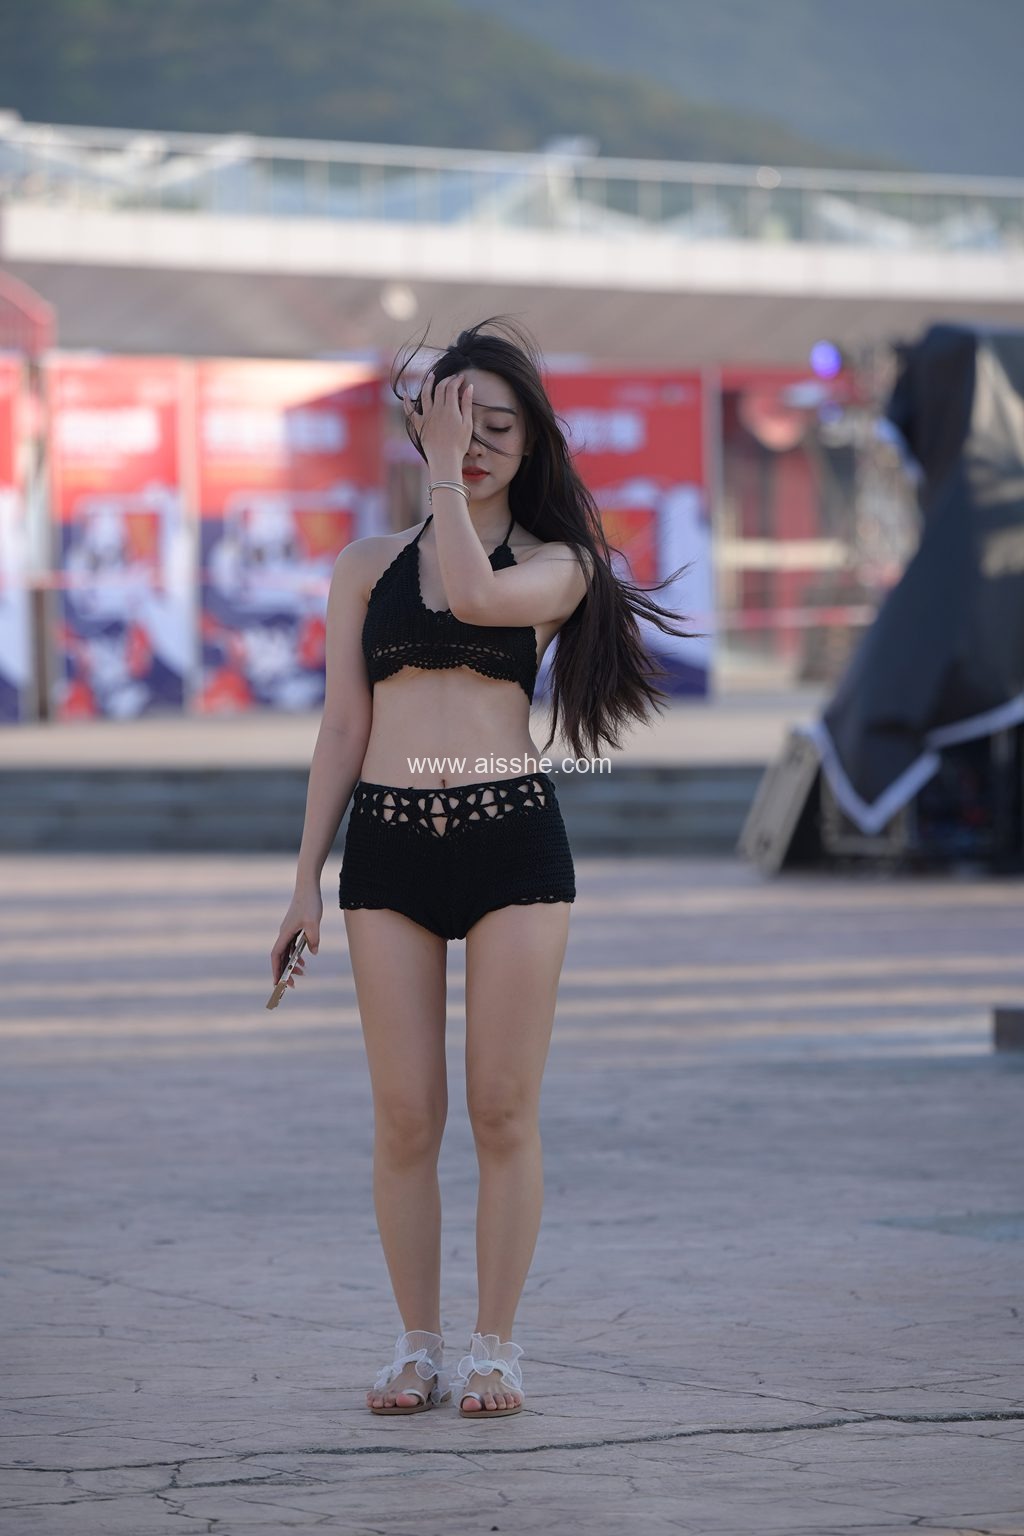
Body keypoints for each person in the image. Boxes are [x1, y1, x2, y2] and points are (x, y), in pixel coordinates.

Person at [271, 317, 693, 1420]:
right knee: (406, 1116)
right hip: (389, 846)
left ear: (531, 439)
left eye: (496, 425)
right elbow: (341, 727)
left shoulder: (560, 564)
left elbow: (470, 597)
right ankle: (416, 1346)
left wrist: (446, 481)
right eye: (456, 421)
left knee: (502, 1109)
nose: (476, 443)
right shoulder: (364, 568)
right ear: (420, 427)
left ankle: (496, 1349)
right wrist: (304, 878)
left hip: (512, 842)